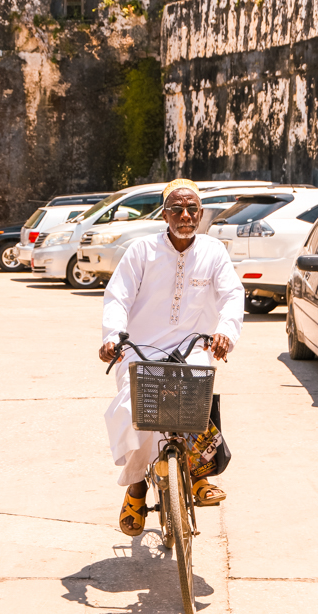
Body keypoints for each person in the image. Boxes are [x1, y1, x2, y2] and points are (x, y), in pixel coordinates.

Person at [99, 178, 244, 537]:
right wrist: (113, 337)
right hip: (141, 348)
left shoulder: (213, 251)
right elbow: (118, 297)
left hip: (193, 346)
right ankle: (136, 487)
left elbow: (232, 295)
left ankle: (198, 477)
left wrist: (225, 331)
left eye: (192, 208)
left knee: (196, 398)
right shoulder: (141, 251)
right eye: (177, 209)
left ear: (201, 214)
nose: (185, 215)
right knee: (136, 410)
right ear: (164, 214)